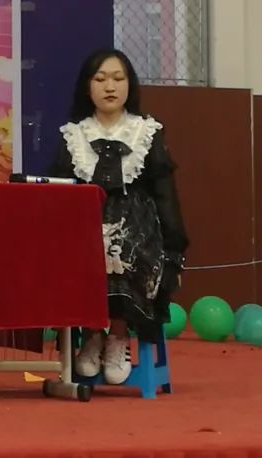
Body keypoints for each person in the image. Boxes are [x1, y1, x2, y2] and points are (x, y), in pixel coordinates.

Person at [48, 48, 188, 384]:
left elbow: (165, 195)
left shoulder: (146, 132)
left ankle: (118, 338)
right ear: (87, 88)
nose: (109, 86)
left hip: (138, 232)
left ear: (129, 85)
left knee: (121, 243)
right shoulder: (73, 135)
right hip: (85, 226)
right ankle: (92, 335)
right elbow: (59, 194)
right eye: (100, 79)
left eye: (117, 78)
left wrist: (175, 251)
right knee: (84, 246)